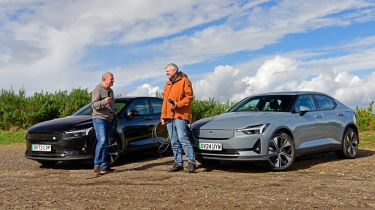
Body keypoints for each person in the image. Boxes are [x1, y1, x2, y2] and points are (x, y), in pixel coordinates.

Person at [161, 63, 196, 173]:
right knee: (173, 140)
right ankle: (178, 163)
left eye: (168, 71)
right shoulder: (167, 84)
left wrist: (178, 104)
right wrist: (162, 116)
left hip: (180, 115)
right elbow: (164, 102)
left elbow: (189, 97)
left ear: (174, 70)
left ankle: (191, 162)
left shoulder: (184, 80)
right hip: (168, 116)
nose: (166, 73)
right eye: (166, 71)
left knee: (183, 138)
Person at [91, 72, 115, 175]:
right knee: (102, 140)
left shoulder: (111, 91)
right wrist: (105, 101)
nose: (113, 80)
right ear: (105, 80)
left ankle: (104, 166)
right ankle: (97, 165)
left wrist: (114, 111)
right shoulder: (97, 90)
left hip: (109, 119)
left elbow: (111, 106)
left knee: (106, 143)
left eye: (113, 78)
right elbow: (94, 105)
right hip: (99, 118)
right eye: (111, 79)